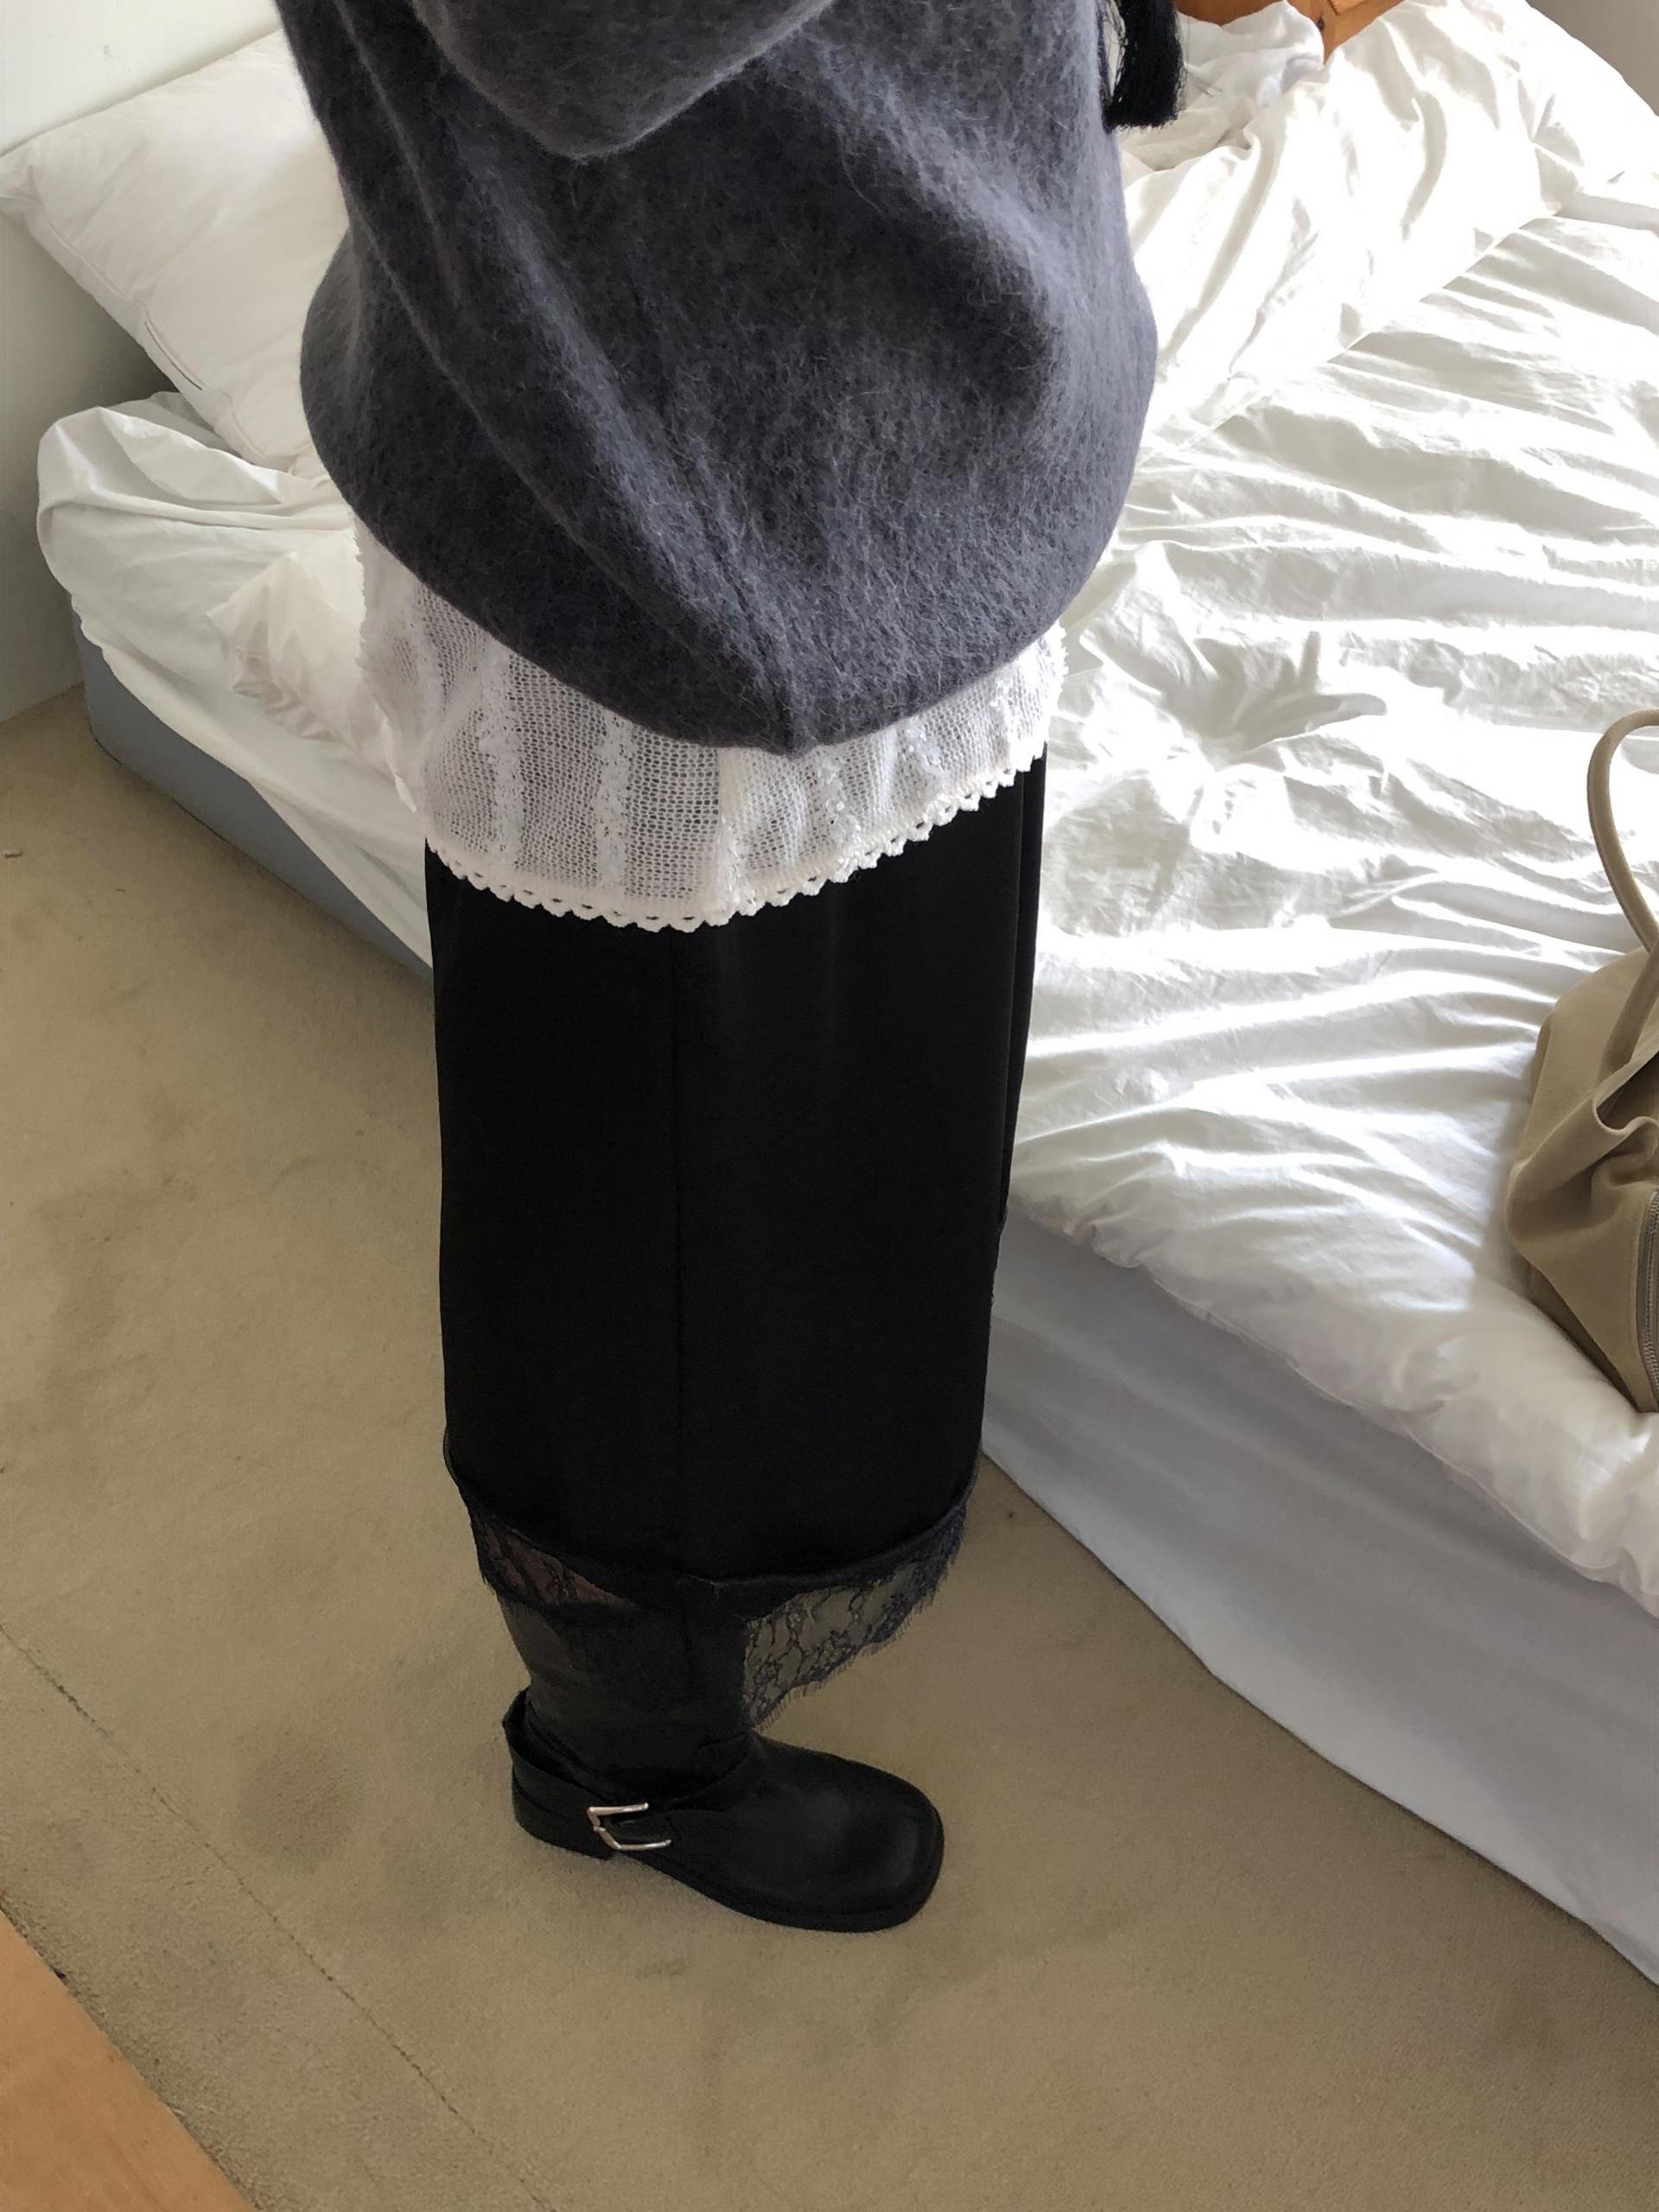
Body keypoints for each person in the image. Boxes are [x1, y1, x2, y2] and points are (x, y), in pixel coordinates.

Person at [273, 0, 1182, 1932]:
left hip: (924, 416)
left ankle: (798, 1539)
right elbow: (569, 40)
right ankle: (618, 1755)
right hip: (652, 507)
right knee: (641, 1246)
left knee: (869, 1115)